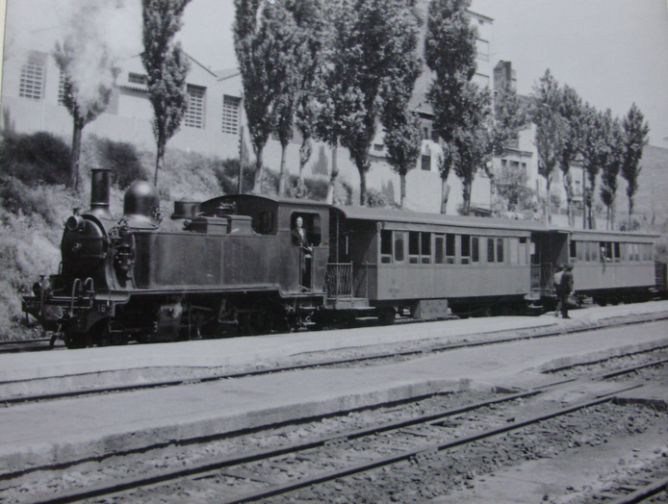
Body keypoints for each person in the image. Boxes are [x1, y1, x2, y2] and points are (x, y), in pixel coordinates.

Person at [292, 216, 313, 289]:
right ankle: (298, 284)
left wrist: (308, 247)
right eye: (298, 221)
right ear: (296, 222)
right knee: (299, 268)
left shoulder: (304, 230)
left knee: (304, 268)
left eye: (301, 221)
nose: (299, 223)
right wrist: (298, 245)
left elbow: (305, 241)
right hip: (296, 252)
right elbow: (292, 243)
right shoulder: (293, 232)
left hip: (303, 252)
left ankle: (303, 284)